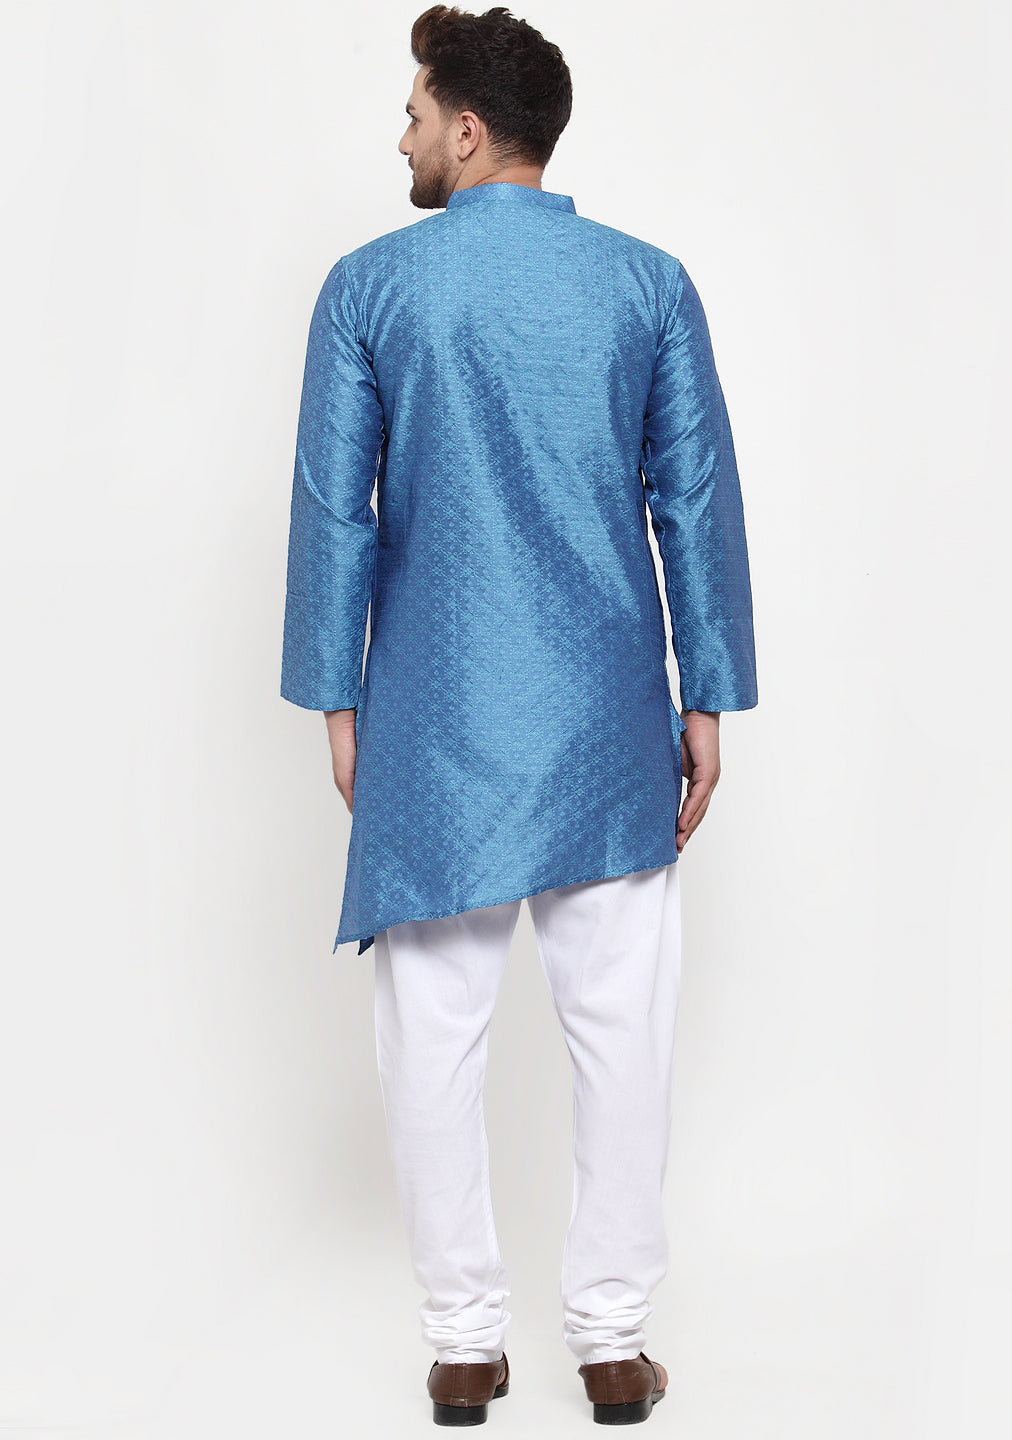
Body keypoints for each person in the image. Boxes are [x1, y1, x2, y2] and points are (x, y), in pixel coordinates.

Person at [280, 4, 757, 1426]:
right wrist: (709, 694)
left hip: (434, 716)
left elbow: (334, 510)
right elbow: (696, 501)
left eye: (417, 113)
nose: (404, 137)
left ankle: (462, 1344)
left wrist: (337, 695)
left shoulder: (368, 289)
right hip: (607, 713)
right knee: (626, 1036)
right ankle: (610, 1342)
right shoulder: (648, 285)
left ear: (472, 130)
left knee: (432, 1038)